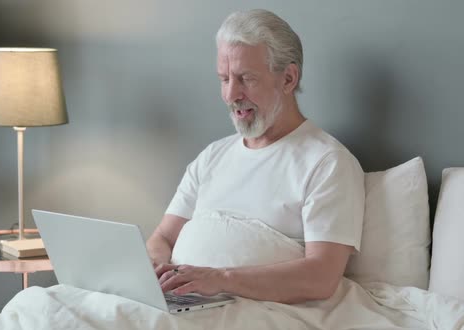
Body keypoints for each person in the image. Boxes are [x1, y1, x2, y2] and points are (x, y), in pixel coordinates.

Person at [146, 9, 365, 304]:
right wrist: (159, 270)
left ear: (288, 79)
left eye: (245, 78)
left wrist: (220, 279)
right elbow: (162, 238)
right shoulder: (212, 156)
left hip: (252, 311)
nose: (230, 94)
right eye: (224, 79)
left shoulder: (327, 162)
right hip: (180, 303)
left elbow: (321, 276)